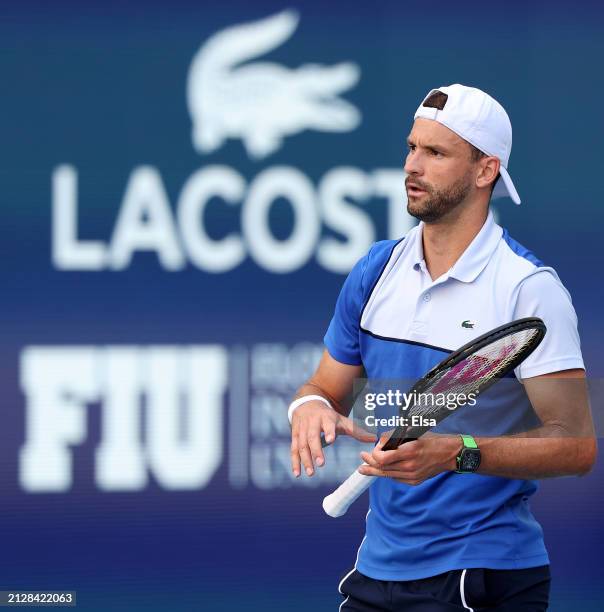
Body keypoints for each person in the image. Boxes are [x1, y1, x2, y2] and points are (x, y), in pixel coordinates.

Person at [288, 84, 596, 611]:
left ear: (485, 171)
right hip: (378, 571)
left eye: (435, 153)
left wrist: (458, 454)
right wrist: (309, 406)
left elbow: (576, 447)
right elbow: (325, 387)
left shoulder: (528, 289)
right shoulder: (375, 270)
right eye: (412, 148)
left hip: (486, 574)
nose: (413, 165)